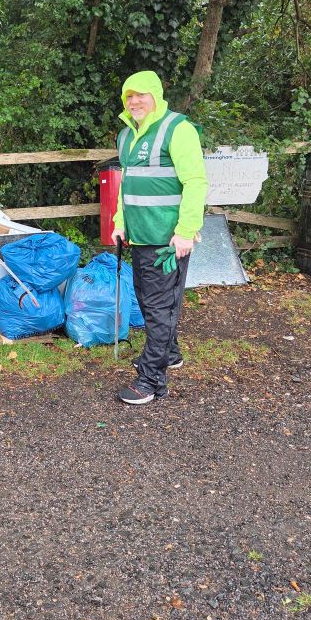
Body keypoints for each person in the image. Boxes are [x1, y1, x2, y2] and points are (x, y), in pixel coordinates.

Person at [110, 70, 207, 405]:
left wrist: (185, 231)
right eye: (129, 96)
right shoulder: (126, 136)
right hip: (140, 236)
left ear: (156, 96)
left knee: (157, 306)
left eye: (141, 95)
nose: (134, 102)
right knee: (154, 301)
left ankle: (151, 380)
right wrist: (119, 222)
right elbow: (126, 185)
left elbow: (195, 182)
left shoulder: (177, 129)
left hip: (167, 240)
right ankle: (170, 352)